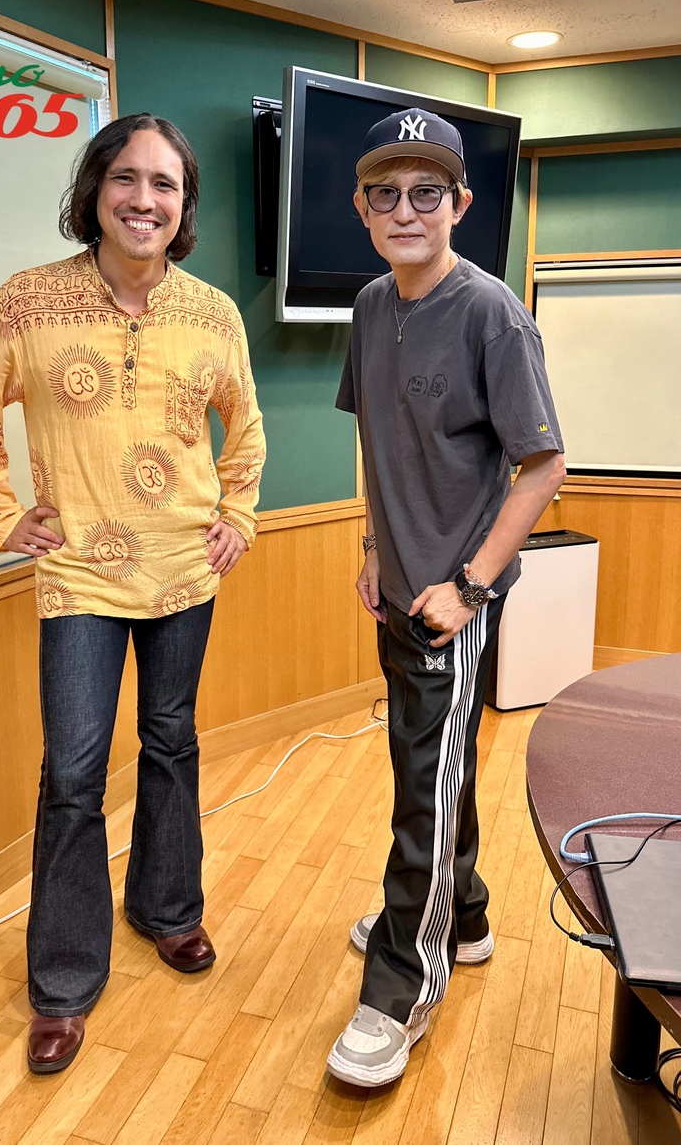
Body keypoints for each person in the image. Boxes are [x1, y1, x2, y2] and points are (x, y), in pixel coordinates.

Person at [0, 113, 265, 1075]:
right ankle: (64, 980)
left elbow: (245, 428)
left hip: (185, 568)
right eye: (126, 177)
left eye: (165, 184)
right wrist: (4, 519)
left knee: (172, 741)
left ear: (184, 204)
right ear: (94, 190)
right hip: (80, 571)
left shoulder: (214, 312)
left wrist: (239, 514)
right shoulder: (28, 301)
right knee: (74, 774)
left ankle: (168, 910)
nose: (144, 199)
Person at [327, 108, 565, 1087]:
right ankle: (458, 918)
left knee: (421, 790)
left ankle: (402, 984)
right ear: (362, 208)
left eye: (426, 191)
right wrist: (370, 545)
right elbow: (377, 439)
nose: (405, 209)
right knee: (431, 770)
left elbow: (543, 465)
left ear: (459, 203)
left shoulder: (490, 313)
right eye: (384, 192)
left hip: (449, 602)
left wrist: (469, 586)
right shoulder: (368, 305)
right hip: (395, 587)